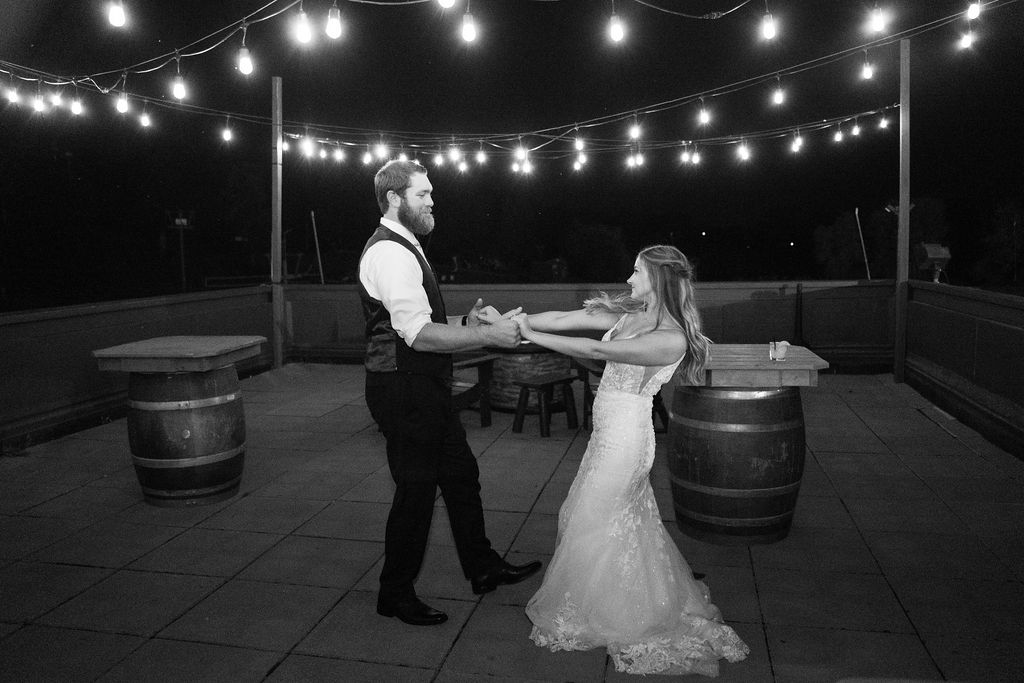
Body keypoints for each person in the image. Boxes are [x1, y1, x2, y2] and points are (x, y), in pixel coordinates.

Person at [509, 245, 750, 676]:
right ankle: (610, 601)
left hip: (626, 442)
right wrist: (516, 321)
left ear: (658, 279)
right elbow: (568, 319)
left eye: (637, 272)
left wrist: (529, 336)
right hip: (605, 438)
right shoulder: (633, 315)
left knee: (593, 517)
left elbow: (596, 352)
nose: (628, 279)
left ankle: (617, 614)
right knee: (612, 521)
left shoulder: (671, 336)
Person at [358, 159, 542, 626]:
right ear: (395, 199)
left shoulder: (407, 246)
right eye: (423, 195)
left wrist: (468, 322)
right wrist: (490, 337)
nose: (432, 201)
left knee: (461, 476)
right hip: (403, 390)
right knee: (416, 493)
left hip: (424, 386)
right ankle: (394, 594)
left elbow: (425, 324)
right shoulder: (391, 253)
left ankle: (482, 568)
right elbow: (418, 336)